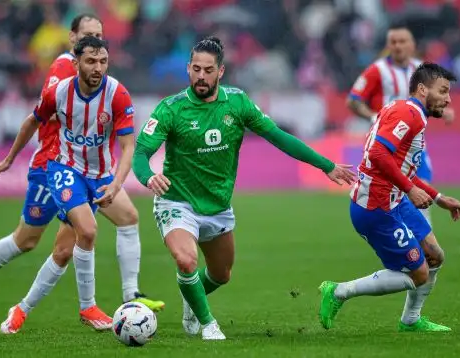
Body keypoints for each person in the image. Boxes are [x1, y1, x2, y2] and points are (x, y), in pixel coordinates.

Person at [132, 36, 356, 340]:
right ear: (188, 69)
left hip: (218, 205)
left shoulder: (237, 102)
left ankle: (191, 295)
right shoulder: (171, 109)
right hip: (177, 201)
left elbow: (278, 136)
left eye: (208, 70)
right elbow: (141, 154)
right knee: (186, 260)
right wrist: (147, 177)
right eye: (196, 69)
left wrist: (326, 165)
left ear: (220, 71)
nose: (201, 76)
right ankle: (208, 324)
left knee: (221, 275)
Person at [0, 16, 162, 332]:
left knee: (112, 224)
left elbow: (125, 142)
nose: (95, 55)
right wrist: (11, 159)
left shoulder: (113, 87)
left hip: (93, 171)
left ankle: (128, 297)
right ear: (73, 41)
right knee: (28, 240)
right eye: (87, 38)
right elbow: (38, 117)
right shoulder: (62, 74)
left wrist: (115, 180)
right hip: (53, 165)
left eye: (99, 38)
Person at [319, 63, 460, 332]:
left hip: (394, 200)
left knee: (434, 255)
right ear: (422, 89)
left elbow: (400, 166)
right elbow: (378, 154)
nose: (448, 99)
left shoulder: (404, 110)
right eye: (443, 91)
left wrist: (438, 197)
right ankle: (338, 291)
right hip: (375, 208)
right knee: (419, 273)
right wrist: (411, 190)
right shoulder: (407, 114)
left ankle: (411, 320)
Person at [346, 23, 454, 225]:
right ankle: (405, 245)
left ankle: (420, 244)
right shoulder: (376, 70)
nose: (397, 46)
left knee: (422, 193)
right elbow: (352, 100)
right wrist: (373, 117)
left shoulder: (421, 70)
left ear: (412, 45)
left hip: (414, 143)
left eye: (402, 41)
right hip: (389, 143)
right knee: (392, 195)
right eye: (393, 42)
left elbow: (431, 97)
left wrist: (443, 111)